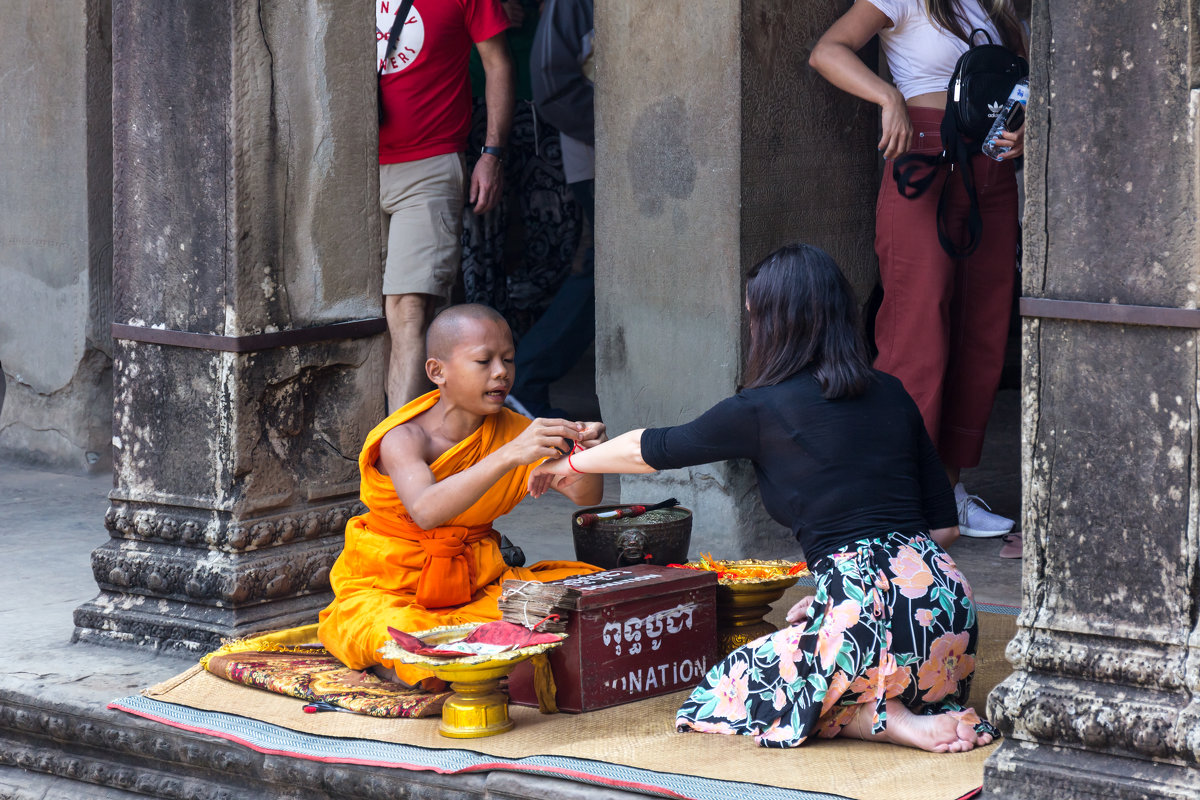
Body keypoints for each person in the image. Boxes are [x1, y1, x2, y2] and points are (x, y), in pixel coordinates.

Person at [529, 244, 997, 752]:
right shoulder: (891, 391)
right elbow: (944, 528)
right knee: (829, 650)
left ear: (775, 324)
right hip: (948, 616)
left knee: (720, 692)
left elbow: (653, 448)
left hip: (863, 615)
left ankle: (881, 719)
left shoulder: (760, 408)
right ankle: (904, 705)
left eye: (754, 318)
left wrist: (568, 464)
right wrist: (829, 597)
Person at [808, 0, 1026, 538]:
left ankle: (946, 495)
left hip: (990, 164)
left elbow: (1026, 89)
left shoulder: (999, 11)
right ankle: (896, 497)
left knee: (984, 329)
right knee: (917, 326)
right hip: (924, 153)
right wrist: (889, 97)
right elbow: (826, 51)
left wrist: (1029, 130)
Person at [318, 304, 604, 687]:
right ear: (438, 371)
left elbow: (586, 497)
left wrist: (588, 457)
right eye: (483, 361)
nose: (501, 372)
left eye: (508, 360)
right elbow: (425, 511)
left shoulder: (514, 432)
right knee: (409, 638)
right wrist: (509, 455)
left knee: (578, 599)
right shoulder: (404, 438)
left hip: (478, 583)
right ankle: (427, 665)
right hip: (391, 586)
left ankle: (473, 661)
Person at [376, 0, 514, 410]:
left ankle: (395, 451)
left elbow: (499, 64)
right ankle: (385, 442)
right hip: (350, 167)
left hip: (428, 164)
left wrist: (491, 154)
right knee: (368, 316)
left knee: (410, 309)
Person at [460, 0, 583, 339]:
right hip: (476, 99)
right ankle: (483, 341)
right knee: (480, 231)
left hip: (543, 97)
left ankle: (526, 341)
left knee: (560, 228)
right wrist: (487, 11)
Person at [505, 0, 596, 418]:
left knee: (602, 274)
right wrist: (617, 129)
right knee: (604, 276)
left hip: (635, 159)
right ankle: (527, 376)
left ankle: (528, 377)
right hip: (601, 161)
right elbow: (551, 82)